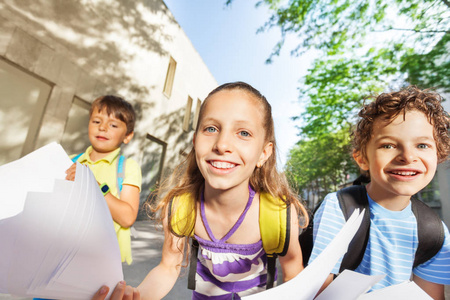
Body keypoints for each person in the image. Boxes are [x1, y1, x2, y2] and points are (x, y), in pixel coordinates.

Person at [93, 82, 309, 300]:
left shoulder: (279, 212)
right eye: (211, 129)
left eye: (243, 133)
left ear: (264, 153)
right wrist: (137, 296)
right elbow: (168, 267)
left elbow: (293, 272)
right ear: (195, 141)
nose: (222, 144)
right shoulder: (180, 206)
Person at [309, 86, 450, 299]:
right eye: (388, 145)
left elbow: (430, 295)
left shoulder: (435, 232)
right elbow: (318, 289)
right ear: (362, 159)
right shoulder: (339, 208)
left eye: (422, 145)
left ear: (438, 155)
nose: (408, 156)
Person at [65, 95, 142, 265]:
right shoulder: (69, 161)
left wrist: (93, 185)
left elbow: (127, 218)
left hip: (98, 261)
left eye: (113, 125)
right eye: (96, 121)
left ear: (127, 136)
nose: (103, 128)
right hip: (60, 251)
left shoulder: (128, 167)